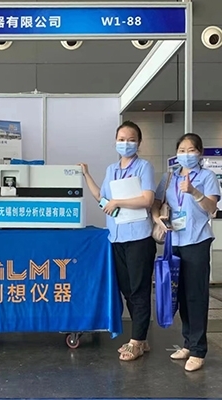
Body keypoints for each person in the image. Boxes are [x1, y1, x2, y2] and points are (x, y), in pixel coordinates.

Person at [79, 120, 156, 361]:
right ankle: (141, 338)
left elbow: (147, 200)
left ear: (139, 142)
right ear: (115, 142)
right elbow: (102, 198)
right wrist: (86, 175)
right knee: (127, 290)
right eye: (122, 139)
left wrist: (118, 202)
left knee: (139, 290)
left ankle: (136, 341)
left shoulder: (144, 167)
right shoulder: (112, 169)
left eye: (131, 139)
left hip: (139, 238)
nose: (126, 143)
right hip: (117, 238)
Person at [152, 133, 219, 372]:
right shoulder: (169, 176)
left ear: (199, 153)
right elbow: (156, 203)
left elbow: (212, 207)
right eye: (182, 150)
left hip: (197, 240)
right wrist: (157, 218)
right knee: (180, 294)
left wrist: (194, 192)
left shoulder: (207, 176)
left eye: (191, 150)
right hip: (175, 240)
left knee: (196, 295)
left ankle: (199, 350)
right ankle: (188, 343)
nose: (186, 154)